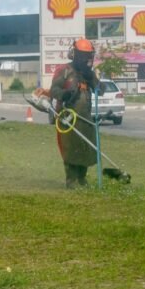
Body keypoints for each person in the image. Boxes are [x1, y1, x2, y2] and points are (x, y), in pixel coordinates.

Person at [49, 38, 101, 189]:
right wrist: (64, 94)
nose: (86, 59)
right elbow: (53, 90)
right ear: (75, 55)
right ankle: (71, 180)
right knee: (71, 149)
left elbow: (100, 89)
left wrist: (95, 81)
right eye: (83, 56)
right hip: (68, 118)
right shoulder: (64, 70)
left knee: (85, 148)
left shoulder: (88, 74)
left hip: (85, 118)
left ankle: (82, 178)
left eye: (88, 56)